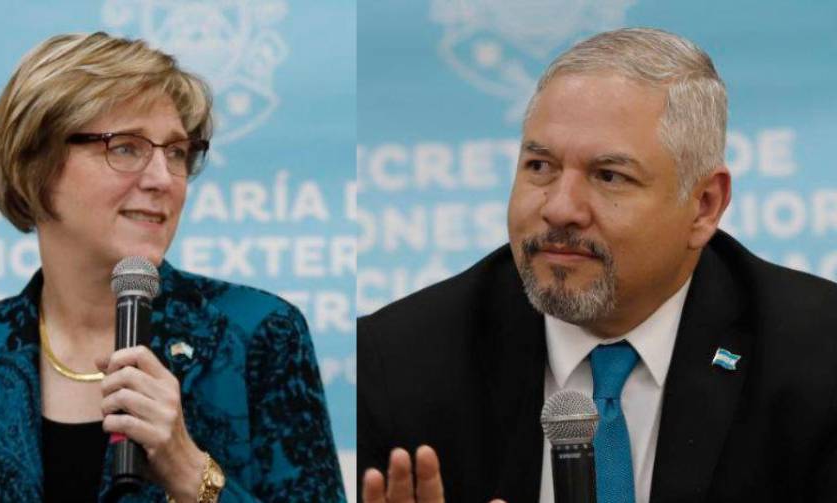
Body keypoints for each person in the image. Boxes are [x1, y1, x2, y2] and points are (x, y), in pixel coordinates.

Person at [357, 28, 837, 503]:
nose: (559, 208)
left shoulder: (817, 357)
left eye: (609, 176)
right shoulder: (398, 364)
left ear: (704, 206)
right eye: (540, 167)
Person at [0, 32, 345, 502]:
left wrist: (191, 473)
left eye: (176, 152)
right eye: (126, 147)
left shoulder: (259, 334)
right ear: (35, 165)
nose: (162, 179)